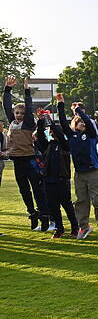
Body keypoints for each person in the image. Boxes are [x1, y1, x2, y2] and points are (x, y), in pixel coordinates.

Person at [3, 76, 51, 231]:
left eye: (21, 113)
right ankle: (32, 213)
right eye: (17, 113)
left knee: (38, 191)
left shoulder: (28, 122)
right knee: (24, 191)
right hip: (17, 162)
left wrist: (26, 90)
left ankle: (45, 217)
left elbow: (29, 107)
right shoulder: (12, 122)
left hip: (30, 161)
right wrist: (7, 89)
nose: (19, 115)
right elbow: (6, 105)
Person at [56, 95, 98, 239]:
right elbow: (62, 122)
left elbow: (89, 123)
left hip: (93, 172)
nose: (83, 123)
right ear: (75, 124)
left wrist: (78, 110)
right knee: (81, 202)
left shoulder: (91, 134)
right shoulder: (72, 136)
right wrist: (60, 104)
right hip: (79, 174)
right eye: (80, 122)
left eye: (84, 121)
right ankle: (84, 227)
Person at [34, 111, 78, 238]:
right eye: (51, 132)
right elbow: (40, 136)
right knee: (53, 207)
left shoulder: (65, 145)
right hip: (49, 180)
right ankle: (59, 228)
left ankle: (75, 227)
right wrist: (41, 121)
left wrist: (51, 123)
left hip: (62, 180)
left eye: (54, 132)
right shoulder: (48, 146)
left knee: (67, 205)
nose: (52, 133)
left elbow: (59, 134)